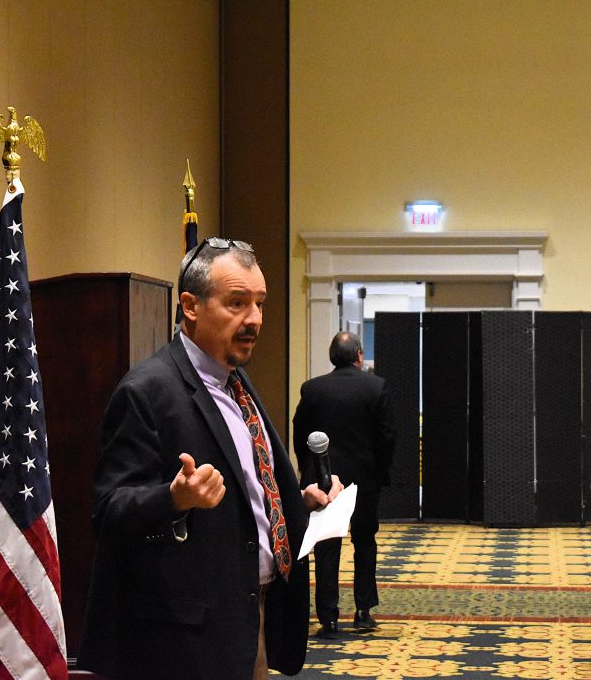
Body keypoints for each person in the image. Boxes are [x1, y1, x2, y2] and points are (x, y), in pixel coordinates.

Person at [78, 238, 340, 679]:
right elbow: (108, 512)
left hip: (248, 616)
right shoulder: (147, 391)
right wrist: (173, 498)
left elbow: (245, 485)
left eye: (259, 304)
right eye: (237, 303)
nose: (253, 319)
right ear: (191, 306)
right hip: (187, 639)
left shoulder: (236, 381)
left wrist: (297, 499)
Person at [292, 332, 395, 638]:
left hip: (324, 480)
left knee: (326, 546)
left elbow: (301, 435)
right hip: (365, 478)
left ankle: (328, 617)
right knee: (365, 542)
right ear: (359, 356)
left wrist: (307, 470)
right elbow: (387, 435)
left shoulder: (313, 389)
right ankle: (363, 612)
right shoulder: (376, 387)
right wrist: (381, 472)